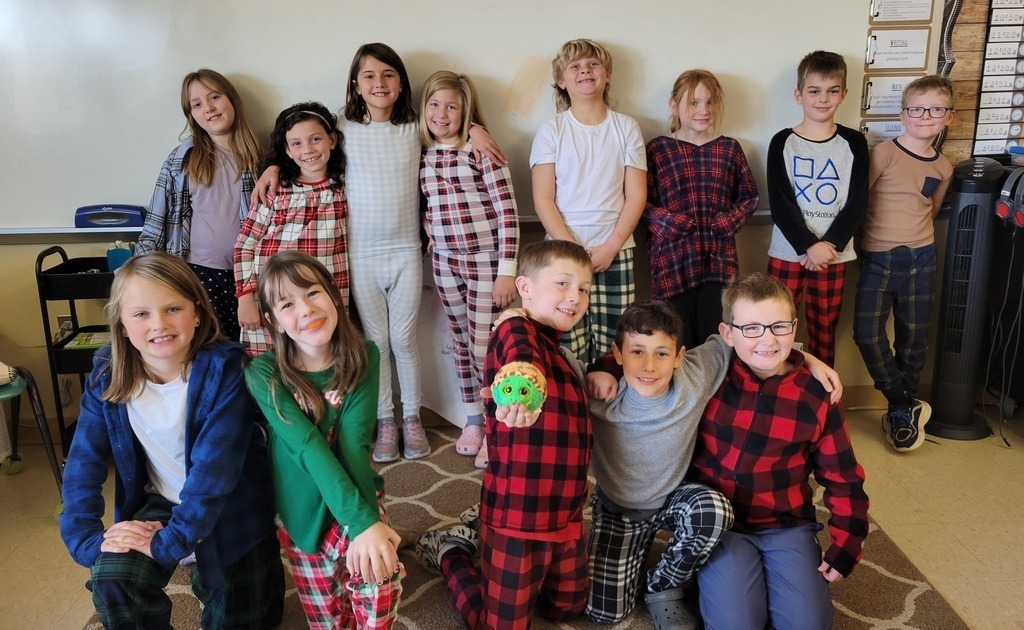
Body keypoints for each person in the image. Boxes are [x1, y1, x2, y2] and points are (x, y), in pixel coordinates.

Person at [252, 43, 505, 463]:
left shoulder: (415, 128)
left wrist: (476, 126)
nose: (379, 83)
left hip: (406, 252)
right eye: (368, 76)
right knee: (376, 341)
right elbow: (302, 141)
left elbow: (449, 127)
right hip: (361, 255)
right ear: (355, 84)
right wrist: (273, 164)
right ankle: (385, 420)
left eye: (388, 74)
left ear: (401, 82)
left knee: (404, 339)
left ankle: (412, 419)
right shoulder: (344, 128)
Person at [59, 253, 283, 629]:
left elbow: (215, 474)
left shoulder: (227, 369)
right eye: (141, 313)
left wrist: (171, 543)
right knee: (112, 578)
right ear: (122, 326)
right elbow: (83, 464)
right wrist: (88, 540)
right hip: (162, 501)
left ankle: (238, 571)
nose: (159, 324)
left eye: (173, 308)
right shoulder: (107, 375)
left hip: (233, 510)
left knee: (244, 616)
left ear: (197, 313)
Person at [584, 301, 842, 628]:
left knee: (715, 509)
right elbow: (553, 362)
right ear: (618, 354)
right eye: (636, 352)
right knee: (606, 614)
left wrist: (809, 359)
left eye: (662, 354)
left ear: (679, 357)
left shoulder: (695, 373)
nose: (648, 365)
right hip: (618, 508)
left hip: (673, 500)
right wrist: (513, 318)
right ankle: (635, 558)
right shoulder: (598, 391)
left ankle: (664, 585)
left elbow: (748, 341)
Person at [414, 240, 594, 628]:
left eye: (584, 288)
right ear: (525, 287)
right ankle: (451, 552)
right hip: (518, 516)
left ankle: (476, 529)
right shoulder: (515, 329)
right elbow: (520, 363)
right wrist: (521, 387)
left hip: (565, 513)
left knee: (569, 609)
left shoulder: (557, 346)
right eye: (562, 283)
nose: (575, 296)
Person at [690, 273, 869, 629]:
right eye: (752, 328)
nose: (768, 340)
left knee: (808, 624)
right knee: (737, 623)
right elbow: (646, 360)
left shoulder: (817, 394)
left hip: (785, 523)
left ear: (794, 327)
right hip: (721, 524)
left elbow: (843, 475)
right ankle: (706, 579)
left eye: (779, 327)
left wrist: (847, 541)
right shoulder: (709, 375)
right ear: (727, 334)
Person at [245, 251, 405, 629]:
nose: (306, 309)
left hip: (354, 490)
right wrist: (364, 525)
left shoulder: (365, 354)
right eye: (287, 303)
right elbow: (307, 447)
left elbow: (354, 445)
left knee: (380, 577)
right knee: (329, 617)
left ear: (334, 295)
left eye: (313, 293)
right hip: (300, 507)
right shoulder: (263, 372)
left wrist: (365, 525)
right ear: (275, 322)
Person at [419, 70, 520, 467]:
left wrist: (506, 270)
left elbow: (508, 213)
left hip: (484, 262)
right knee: (461, 344)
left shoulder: (481, 151)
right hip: (444, 262)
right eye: (434, 104)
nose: (442, 114)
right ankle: (474, 420)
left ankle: (498, 426)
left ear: (467, 112)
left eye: (452, 106)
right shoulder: (422, 154)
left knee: (485, 347)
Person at [853, 75, 955, 452]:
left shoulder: (944, 167)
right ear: (903, 114)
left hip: (922, 256)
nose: (925, 116)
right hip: (878, 256)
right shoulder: (884, 154)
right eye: (917, 108)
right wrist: (863, 246)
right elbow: (859, 203)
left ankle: (901, 411)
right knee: (866, 332)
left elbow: (933, 207)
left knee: (914, 337)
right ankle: (901, 400)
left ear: (948, 117)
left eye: (936, 109)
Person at [530, 38, 647, 365]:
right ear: (561, 81)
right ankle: (575, 410)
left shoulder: (626, 128)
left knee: (616, 343)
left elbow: (636, 195)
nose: (585, 71)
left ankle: (611, 413)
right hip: (563, 256)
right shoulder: (551, 131)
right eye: (575, 67)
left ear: (607, 74)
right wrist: (572, 250)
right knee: (567, 344)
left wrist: (610, 246)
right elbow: (542, 198)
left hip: (615, 252)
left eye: (593, 64)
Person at [136, 69, 263, 342]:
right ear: (191, 115)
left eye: (214, 97)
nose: (209, 108)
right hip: (199, 274)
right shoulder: (182, 160)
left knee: (251, 357)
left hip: (252, 278)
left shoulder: (259, 158)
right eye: (197, 104)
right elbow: (155, 224)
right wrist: (138, 281)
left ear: (232, 99)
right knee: (212, 351)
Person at [766, 50, 869, 366]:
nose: (823, 99)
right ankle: (778, 391)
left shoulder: (854, 143)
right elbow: (780, 202)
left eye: (832, 91)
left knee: (825, 328)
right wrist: (808, 245)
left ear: (844, 95)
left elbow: (857, 202)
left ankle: (822, 401)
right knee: (777, 325)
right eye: (814, 90)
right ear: (799, 95)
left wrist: (829, 245)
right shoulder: (783, 141)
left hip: (834, 255)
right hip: (789, 251)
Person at [644, 69, 759, 349]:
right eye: (693, 102)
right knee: (675, 340)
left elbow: (749, 197)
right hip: (672, 260)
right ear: (675, 106)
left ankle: (715, 393)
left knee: (715, 340)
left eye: (709, 102)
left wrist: (727, 223)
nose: (703, 110)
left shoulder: (729, 149)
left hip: (718, 260)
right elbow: (639, 201)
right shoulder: (659, 149)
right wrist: (665, 222)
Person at [234, 102, 348, 358]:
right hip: (273, 296)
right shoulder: (276, 190)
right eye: (296, 143)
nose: (307, 149)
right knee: (271, 367)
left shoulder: (345, 187)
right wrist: (245, 297)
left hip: (321, 299)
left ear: (332, 140)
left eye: (315, 139)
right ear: (286, 150)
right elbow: (244, 245)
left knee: (322, 361)